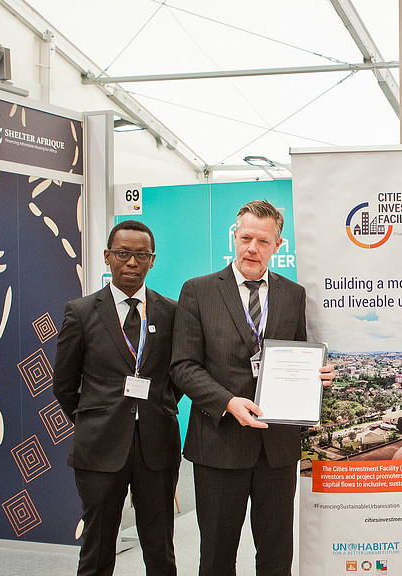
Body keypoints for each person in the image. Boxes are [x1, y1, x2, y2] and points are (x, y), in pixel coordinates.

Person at [170, 199, 333, 576]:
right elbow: (183, 366)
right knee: (216, 556)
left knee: (276, 556)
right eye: (245, 238)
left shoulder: (293, 294)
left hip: (277, 448)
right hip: (219, 443)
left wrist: (317, 376)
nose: (252, 248)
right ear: (234, 237)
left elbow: (299, 353)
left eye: (263, 241)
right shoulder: (198, 290)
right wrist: (228, 402)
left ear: (278, 245)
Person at [53, 220, 180, 576]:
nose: (132, 263)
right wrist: (93, 418)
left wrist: (158, 406)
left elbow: (178, 376)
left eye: (141, 255)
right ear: (107, 256)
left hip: (157, 445)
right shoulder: (80, 312)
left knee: (160, 548)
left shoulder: (171, 312)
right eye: (123, 254)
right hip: (99, 447)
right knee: (97, 549)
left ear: (153, 260)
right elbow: (64, 384)